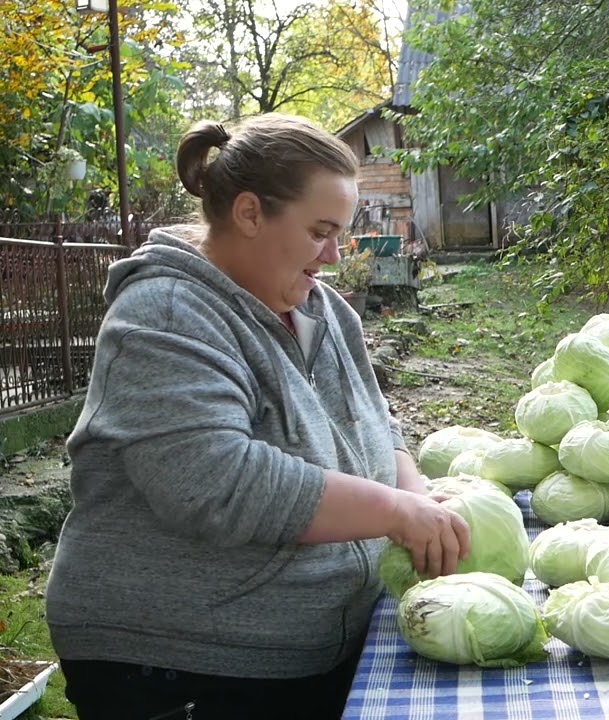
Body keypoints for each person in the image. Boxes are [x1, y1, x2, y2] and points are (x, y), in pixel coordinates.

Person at [45, 113, 471, 720]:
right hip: (180, 666)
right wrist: (393, 512)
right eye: (320, 231)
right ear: (249, 214)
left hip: (299, 649)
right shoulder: (165, 312)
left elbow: (376, 421)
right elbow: (216, 484)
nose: (333, 253)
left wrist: (419, 499)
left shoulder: (321, 307)